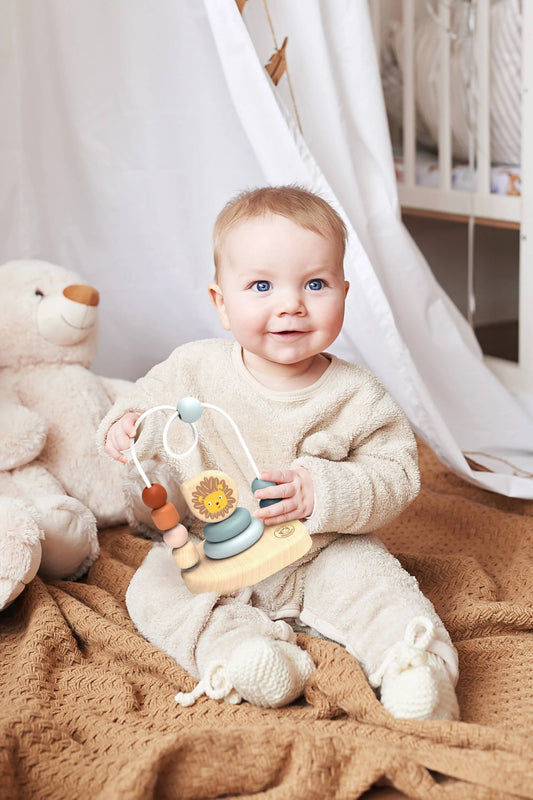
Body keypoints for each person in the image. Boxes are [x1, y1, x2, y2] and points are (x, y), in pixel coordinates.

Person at [99, 186, 459, 718]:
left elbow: (398, 474)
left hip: (321, 550)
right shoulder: (195, 369)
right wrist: (125, 425)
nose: (291, 303)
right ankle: (247, 655)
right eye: (262, 285)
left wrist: (324, 491)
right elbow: (144, 406)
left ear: (343, 292)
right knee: (154, 591)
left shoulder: (357, 396)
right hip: (212, 548)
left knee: (377, 585)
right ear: (221, 303)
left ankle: (414, 666)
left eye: (315, 284)